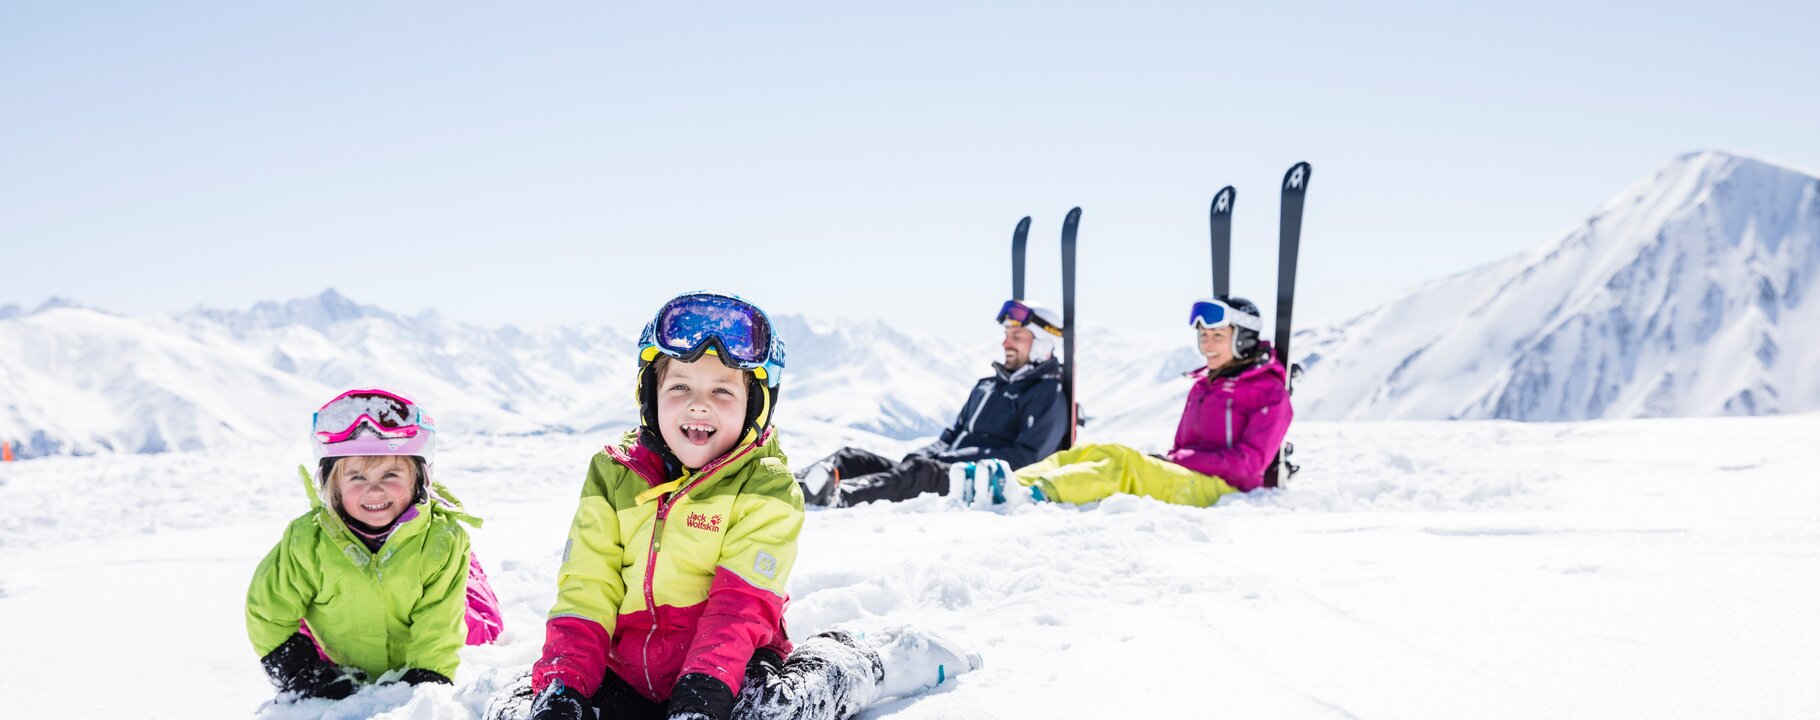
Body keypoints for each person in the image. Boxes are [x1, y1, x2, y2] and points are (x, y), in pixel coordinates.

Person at [491, 291, 979, 720]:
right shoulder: (613, 475)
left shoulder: (767, 489)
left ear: (755, 406)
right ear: (650, 396)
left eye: (722, 391)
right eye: (679, 386)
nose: (698, 404)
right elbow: (586, 588)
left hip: (728, 670)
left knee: (774, 713)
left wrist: (703, 694)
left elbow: (739, 606)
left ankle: (860, 661)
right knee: (533, 707)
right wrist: (564, 688)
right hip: (628, 670)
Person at [245, 388, 502, 701]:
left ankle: (469, 575)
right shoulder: (306, 542)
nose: (375, 490)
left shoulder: (442, 542)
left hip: (432, 594)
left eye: (391, 474)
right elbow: (267, 609)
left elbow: (438, 631)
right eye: (357, 478)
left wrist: (427, 677)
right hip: (337, 650)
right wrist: (300, 671)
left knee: (481, 629)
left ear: (419, 479)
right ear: (333, 486)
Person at [958, 296, 1292, 509]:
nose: (1207, 346)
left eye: (1217, 337)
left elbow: (1249, 465)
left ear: (1244, 340)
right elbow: (1184, 446)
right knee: (1096, 451)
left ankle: (1033, 494)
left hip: (1223, 490)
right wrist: (1177, 459)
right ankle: (1009, 481)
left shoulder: (1270, 392)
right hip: (1192, 475)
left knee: (1126, 465)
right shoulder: (1205, 385)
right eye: (1203, 336)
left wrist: (1179, 460)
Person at [794, 299, 1070, 507]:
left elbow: (1028, 458)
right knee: (852, 457)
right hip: (938, 467)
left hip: (973, 481)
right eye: (1006, 335)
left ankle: (836, 496)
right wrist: (926, 453)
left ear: (1042, 343)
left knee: (921, 472)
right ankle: (793, 486)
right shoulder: (987, 386)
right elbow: (951, 435)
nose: (1006, 343)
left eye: (1017, 336)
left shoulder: (1048, 394)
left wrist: (956, 464)